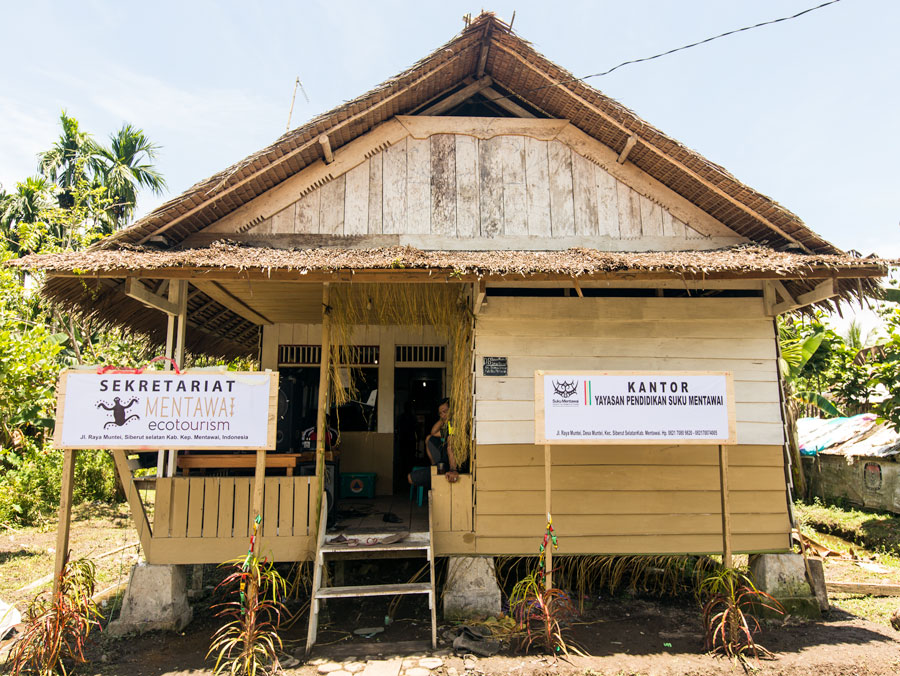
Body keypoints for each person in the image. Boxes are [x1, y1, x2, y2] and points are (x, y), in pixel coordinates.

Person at [409, 398, 458, 487]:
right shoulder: (448, 426)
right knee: (429, 438)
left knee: (410, 478)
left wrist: (453, 470)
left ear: (452, 411)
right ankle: (434, 467)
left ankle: (436, 479)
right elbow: (434, 432)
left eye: (445, 411)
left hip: (449, 466)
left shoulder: (456, 426)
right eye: (440, 413)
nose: (443, 415)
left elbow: (451, 446)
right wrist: (443, 419)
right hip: (443, 463)